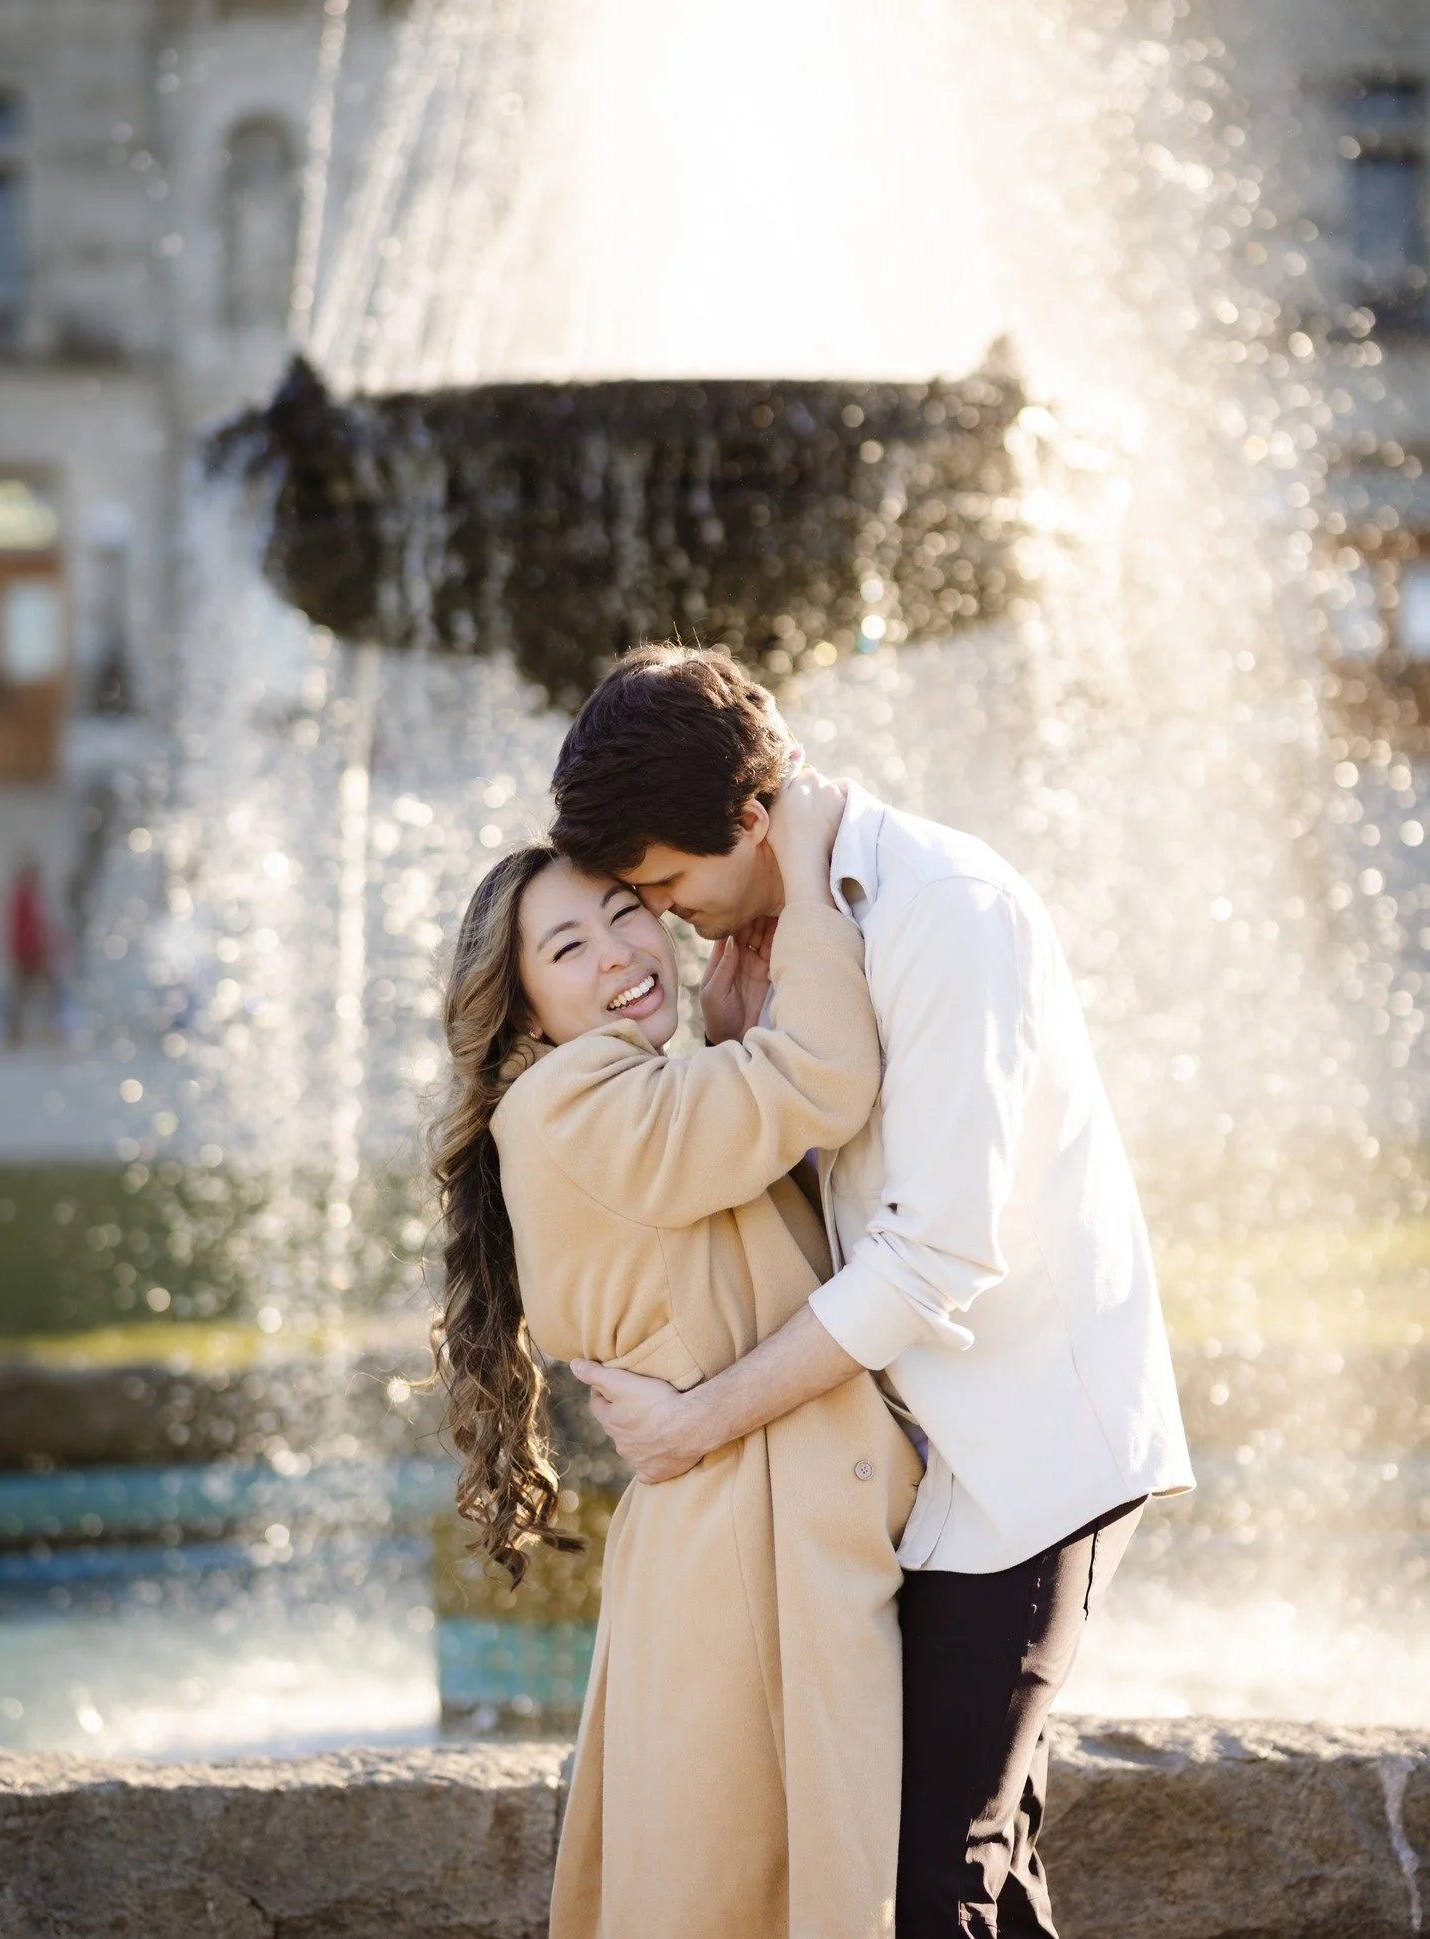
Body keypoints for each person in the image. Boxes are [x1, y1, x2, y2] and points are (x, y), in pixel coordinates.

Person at [551, 643, 1196, 1939]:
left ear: (749, 812)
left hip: (1026, 1458)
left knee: (926, 1873)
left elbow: (935, 1250)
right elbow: (814, 1215)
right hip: (906, 1464)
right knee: (985, 1869)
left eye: (670, 882)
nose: (666, 917)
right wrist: (744, 1055)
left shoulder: (941, 909)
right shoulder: (783, 940)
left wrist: (702, 1418)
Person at [429, 791, 922, 1939]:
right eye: (568, 947)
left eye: (625, 913)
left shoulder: (616, 1098)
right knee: (754, 1891)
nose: (620, 955)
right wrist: (799, 866)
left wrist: (738, 1013)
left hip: (741, 1533)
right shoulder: (574, 1103)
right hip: (743, 1551)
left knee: (753, 1886)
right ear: (525, 1008)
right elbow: (821, 1079)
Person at [4, 859, 64, 1047]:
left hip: (28, 952)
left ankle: (19, 1033)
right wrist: (40, 947)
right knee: (41, 992)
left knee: (25, 994)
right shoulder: (25, 897)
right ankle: (53, 1029)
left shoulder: (23, 896)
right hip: (30, 953)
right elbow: (30, 928)